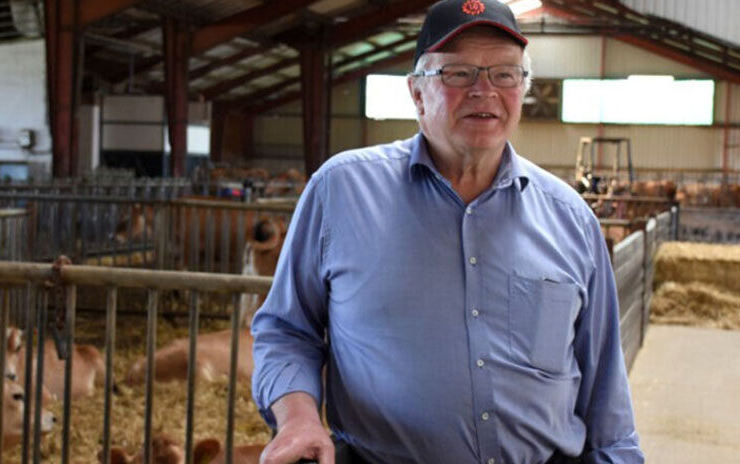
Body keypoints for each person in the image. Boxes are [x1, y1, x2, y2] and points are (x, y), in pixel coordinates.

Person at [250, 0, 645, 463]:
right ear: (417, 93)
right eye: (458, 73)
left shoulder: (572, 220)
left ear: (522, 89)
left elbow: (606, 402)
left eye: (505, 74)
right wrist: (298, 415)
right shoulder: (340, 192)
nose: (485, 91)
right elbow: (284, 329)